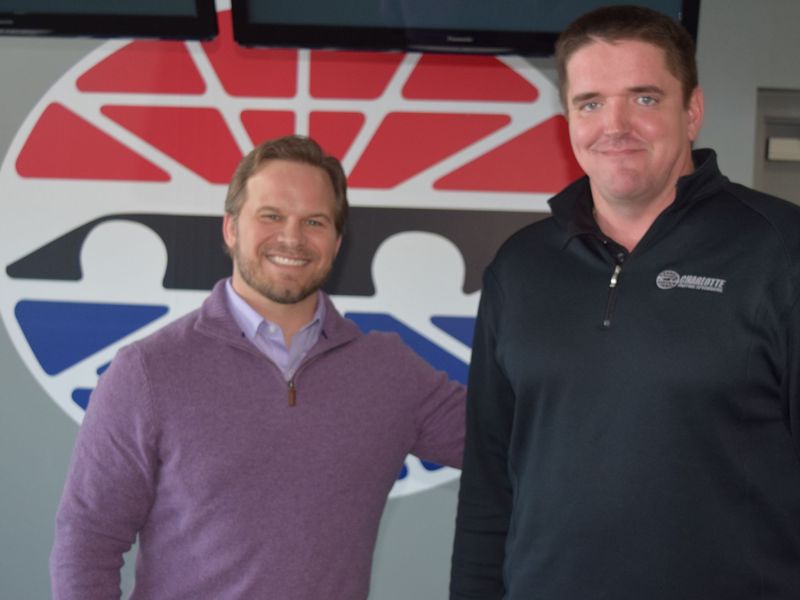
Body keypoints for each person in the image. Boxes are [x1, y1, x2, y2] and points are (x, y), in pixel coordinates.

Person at [450, 5, 800, 600]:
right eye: (590, 103)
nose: (614, 125)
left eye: (643, 98)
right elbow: (490, 486)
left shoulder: (780, 251)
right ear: (567, 118)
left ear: (691, 111)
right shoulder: (519, 268)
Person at [50, 135, 466, 600]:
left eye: (314, 221)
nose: (292, 237)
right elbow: (86, 544)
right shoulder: (147, 372)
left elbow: (518, 440)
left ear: (336, 241)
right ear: (231, 228)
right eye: (271, 216)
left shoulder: (389, 373)